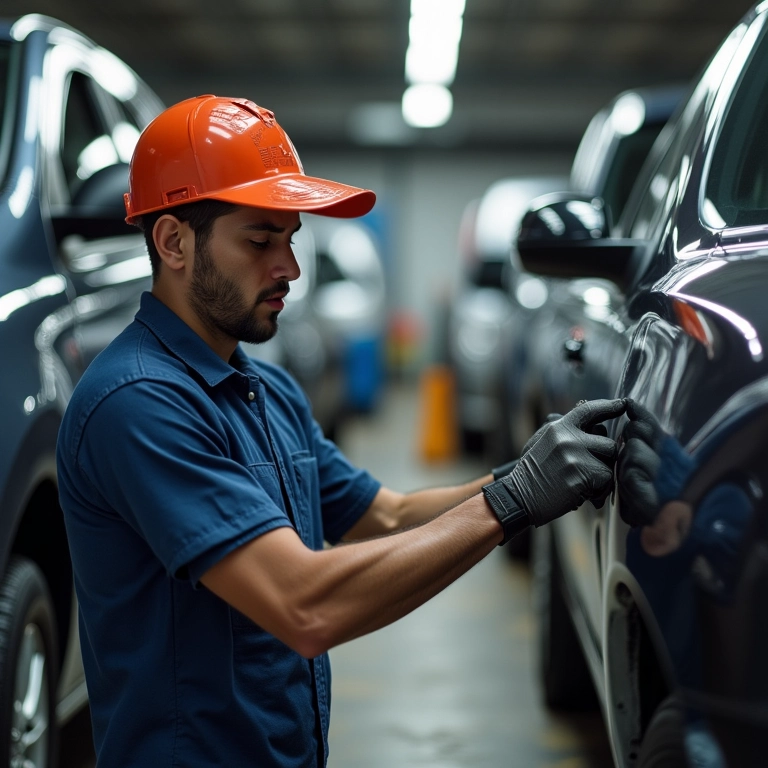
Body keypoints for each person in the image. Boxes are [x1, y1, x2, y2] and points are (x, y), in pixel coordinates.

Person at [56, 95, 626, 768]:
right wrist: (512, 503)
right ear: (174, 242)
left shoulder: (264, 390)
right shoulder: (139, 404)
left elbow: (383, 515)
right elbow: (303, 605)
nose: (290, 269)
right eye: (260, 241)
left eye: (290, 240)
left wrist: (526, 475)